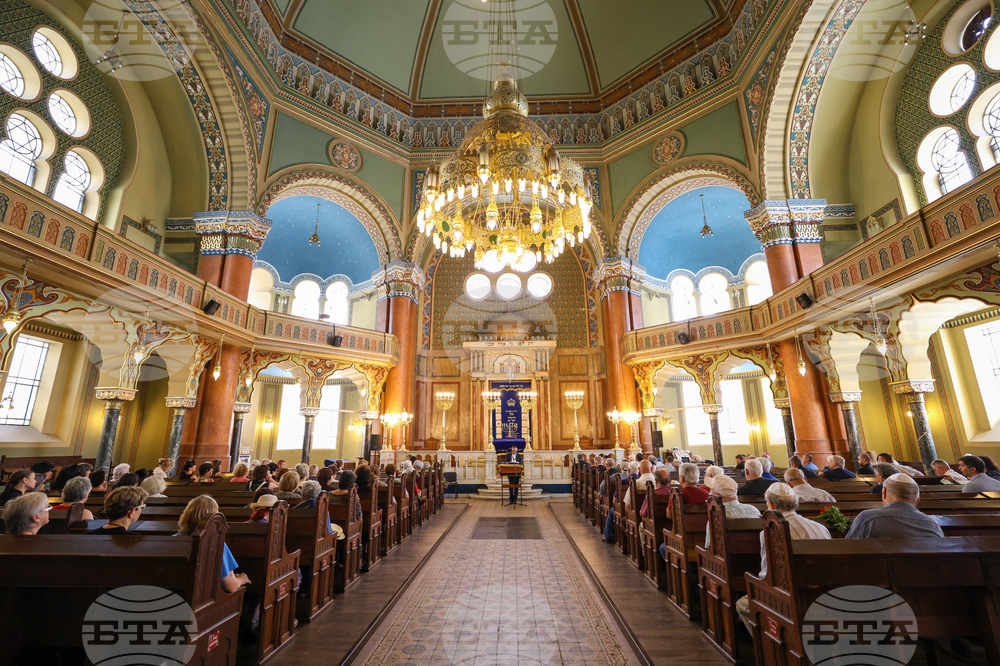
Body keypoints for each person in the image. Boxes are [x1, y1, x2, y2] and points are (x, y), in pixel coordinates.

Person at [735, 483, 830, 631]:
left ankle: (770, 648)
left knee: (743, 605)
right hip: (824, 591)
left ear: (770, 504)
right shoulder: (819, 526)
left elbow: (767, 573)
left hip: (792, 594)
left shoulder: (772, 530)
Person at [176, 495, 251, 593]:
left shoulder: (173, 539)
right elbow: (231, 587)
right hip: (201, 600)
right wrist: (241, 579)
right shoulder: (216, 544)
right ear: (213, 520)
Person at [846, 474, 945, 538]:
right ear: (917, 500)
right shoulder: (932, 524)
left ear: (884, 492)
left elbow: (848, 549)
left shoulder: (867, 518)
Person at [702, 476, 761, 550]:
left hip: (725, 559)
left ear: (717, 493)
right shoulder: (754, 510)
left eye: (711, 489)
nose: (710, 492)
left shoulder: (717, 517)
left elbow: (709, 546)